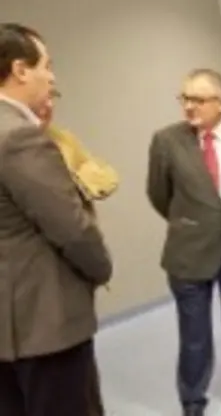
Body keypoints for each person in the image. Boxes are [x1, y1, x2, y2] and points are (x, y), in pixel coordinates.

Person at [0, 23, 113, 416]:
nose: (52, 77)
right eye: (47, 66)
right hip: (43, 324)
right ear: (20, 70)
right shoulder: (18, 137)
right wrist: (102, 268)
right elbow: (72, 229)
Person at [146, 69, 221, 416]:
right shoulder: (166, 141)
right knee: (194, 335)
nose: (189, 106)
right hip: (190, 251)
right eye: (184, 98)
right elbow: (159, 194)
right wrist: (193, 222)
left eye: (198, 99)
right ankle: (193, 399)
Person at [34, 87, 119, 416]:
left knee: (80, 381)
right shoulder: (18, 148)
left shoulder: (63, 140)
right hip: (36, 284)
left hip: (72, 273)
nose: (48, 106)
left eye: (52, 98)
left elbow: (104, 177)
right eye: (41, 99)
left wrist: (82, 179)